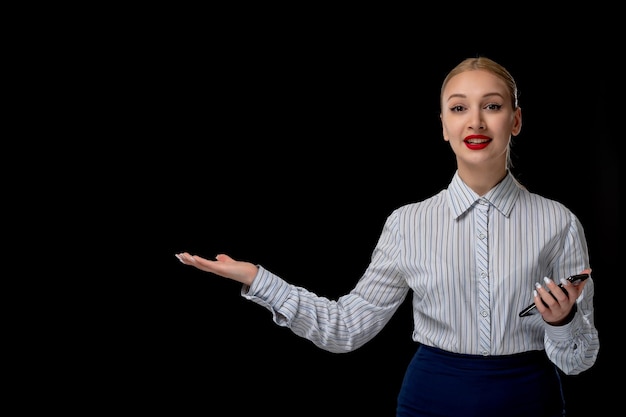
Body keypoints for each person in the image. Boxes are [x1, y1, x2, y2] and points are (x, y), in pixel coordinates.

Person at [174, 56, 599, 416]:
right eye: (458, 108)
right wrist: (258, 280)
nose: (475, 121)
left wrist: (562, 322)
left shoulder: (558, 222)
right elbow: (347, 328)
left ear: (516, 119)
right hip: (429, 402)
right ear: (443, 126)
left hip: (530, 402)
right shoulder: (406, 223)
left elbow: (579, 360)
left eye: (492, 105)